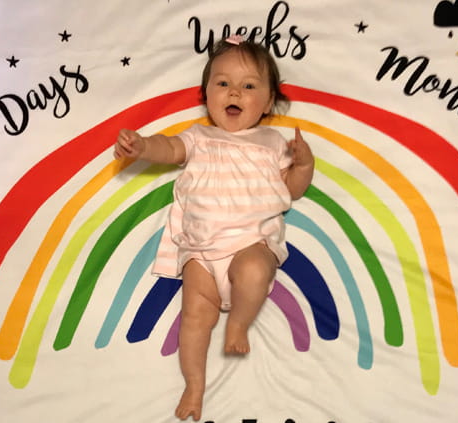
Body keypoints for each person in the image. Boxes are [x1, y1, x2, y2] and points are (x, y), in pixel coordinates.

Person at [113, 34, 314, 422]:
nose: (234, 92)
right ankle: (194, 385)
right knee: (194, 318)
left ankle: (238, 324)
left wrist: (304, 165)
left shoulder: (272, 142)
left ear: (268, 102)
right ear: (206, 95)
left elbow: (291, 190)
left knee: (254, 270)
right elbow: (168, 148)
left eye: (249, 86)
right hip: (201, 253)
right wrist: (143, 146)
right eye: (222, 83)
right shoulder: (198, 137)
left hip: (250, 243)